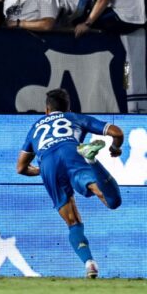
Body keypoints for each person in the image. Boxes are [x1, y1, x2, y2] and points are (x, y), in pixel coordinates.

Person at [16, 88, 124, 278]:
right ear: (67, 107)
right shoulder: (74, 117)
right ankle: (91, 160)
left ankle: (90, 264)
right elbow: (117, 132)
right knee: (111, 201)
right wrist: (115, 148)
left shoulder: (36, 127)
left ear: (46, 110)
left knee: (72, 221)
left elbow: (21, 168)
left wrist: (44, 169)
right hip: (72, 153)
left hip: (48, 164)